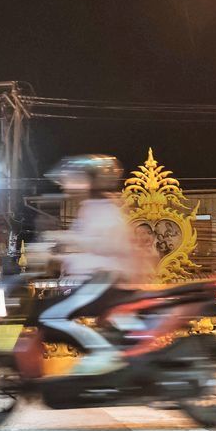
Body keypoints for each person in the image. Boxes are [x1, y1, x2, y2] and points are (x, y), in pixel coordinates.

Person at [39, 154, 153, 375]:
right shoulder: (89, 208)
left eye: (75, 178)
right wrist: (56, 257)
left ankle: (103, 353)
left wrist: (60, 238)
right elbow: (84, 253)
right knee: (49, 316)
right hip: (96, 281)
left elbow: (98, 245)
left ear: (91, 181)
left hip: (106, 281)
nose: (67, 184)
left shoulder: (105, 210)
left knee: (51, 315)